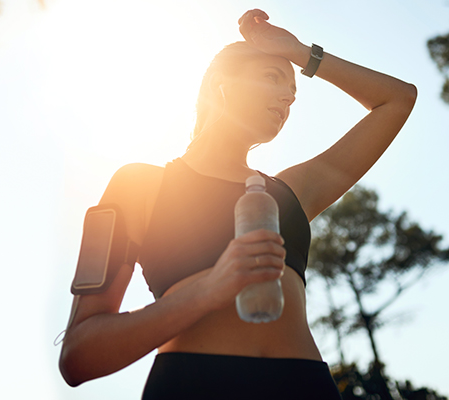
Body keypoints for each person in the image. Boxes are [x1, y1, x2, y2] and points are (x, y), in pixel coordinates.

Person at [58, 9, 417, 399]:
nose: (287, 97)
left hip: (305, 386)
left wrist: (299, 53)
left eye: (293, 95)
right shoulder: (140, 185)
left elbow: (397, 99)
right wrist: (208, 288)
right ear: (220, 84)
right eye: (272, 77)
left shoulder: (292, 192)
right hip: (192, 384)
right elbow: (79, 354)